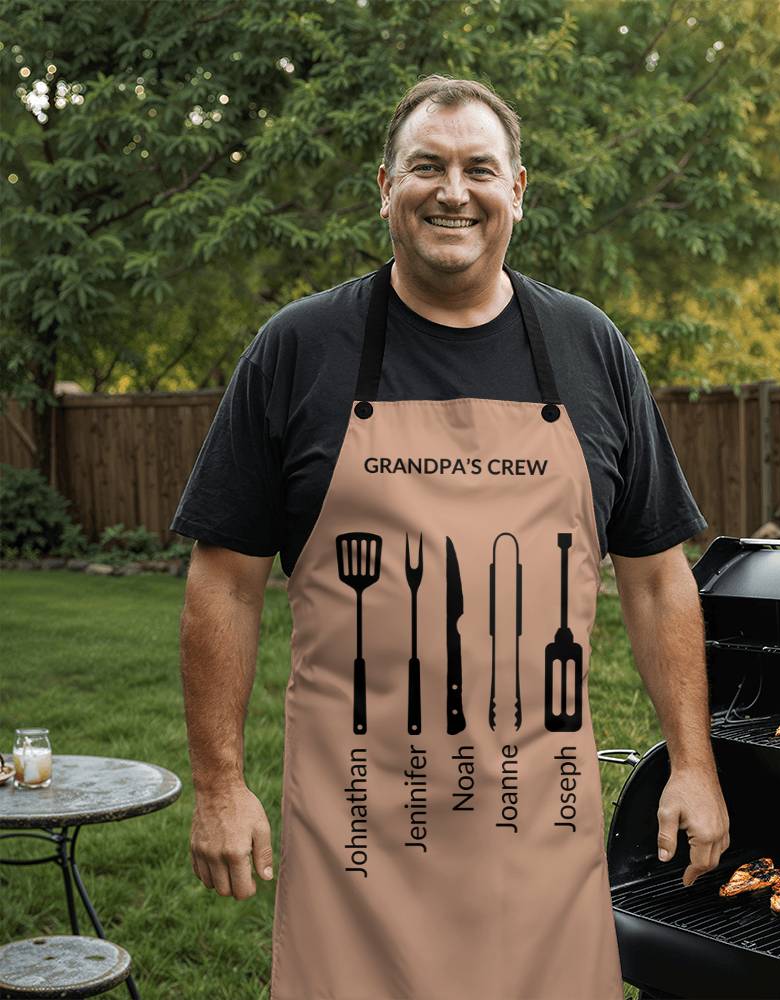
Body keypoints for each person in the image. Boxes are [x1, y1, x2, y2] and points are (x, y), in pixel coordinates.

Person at [171, 74, 729, 1000]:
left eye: (479, 168)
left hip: (534, 829)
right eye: (426, 166)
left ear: (519, 190)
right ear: (384, 186)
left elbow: (658, 579)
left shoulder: (588, 346)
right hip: (357, 833)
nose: (452, 190)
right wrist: (220, 785)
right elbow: (222, 582)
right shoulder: (300, 347)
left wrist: (695, 767)